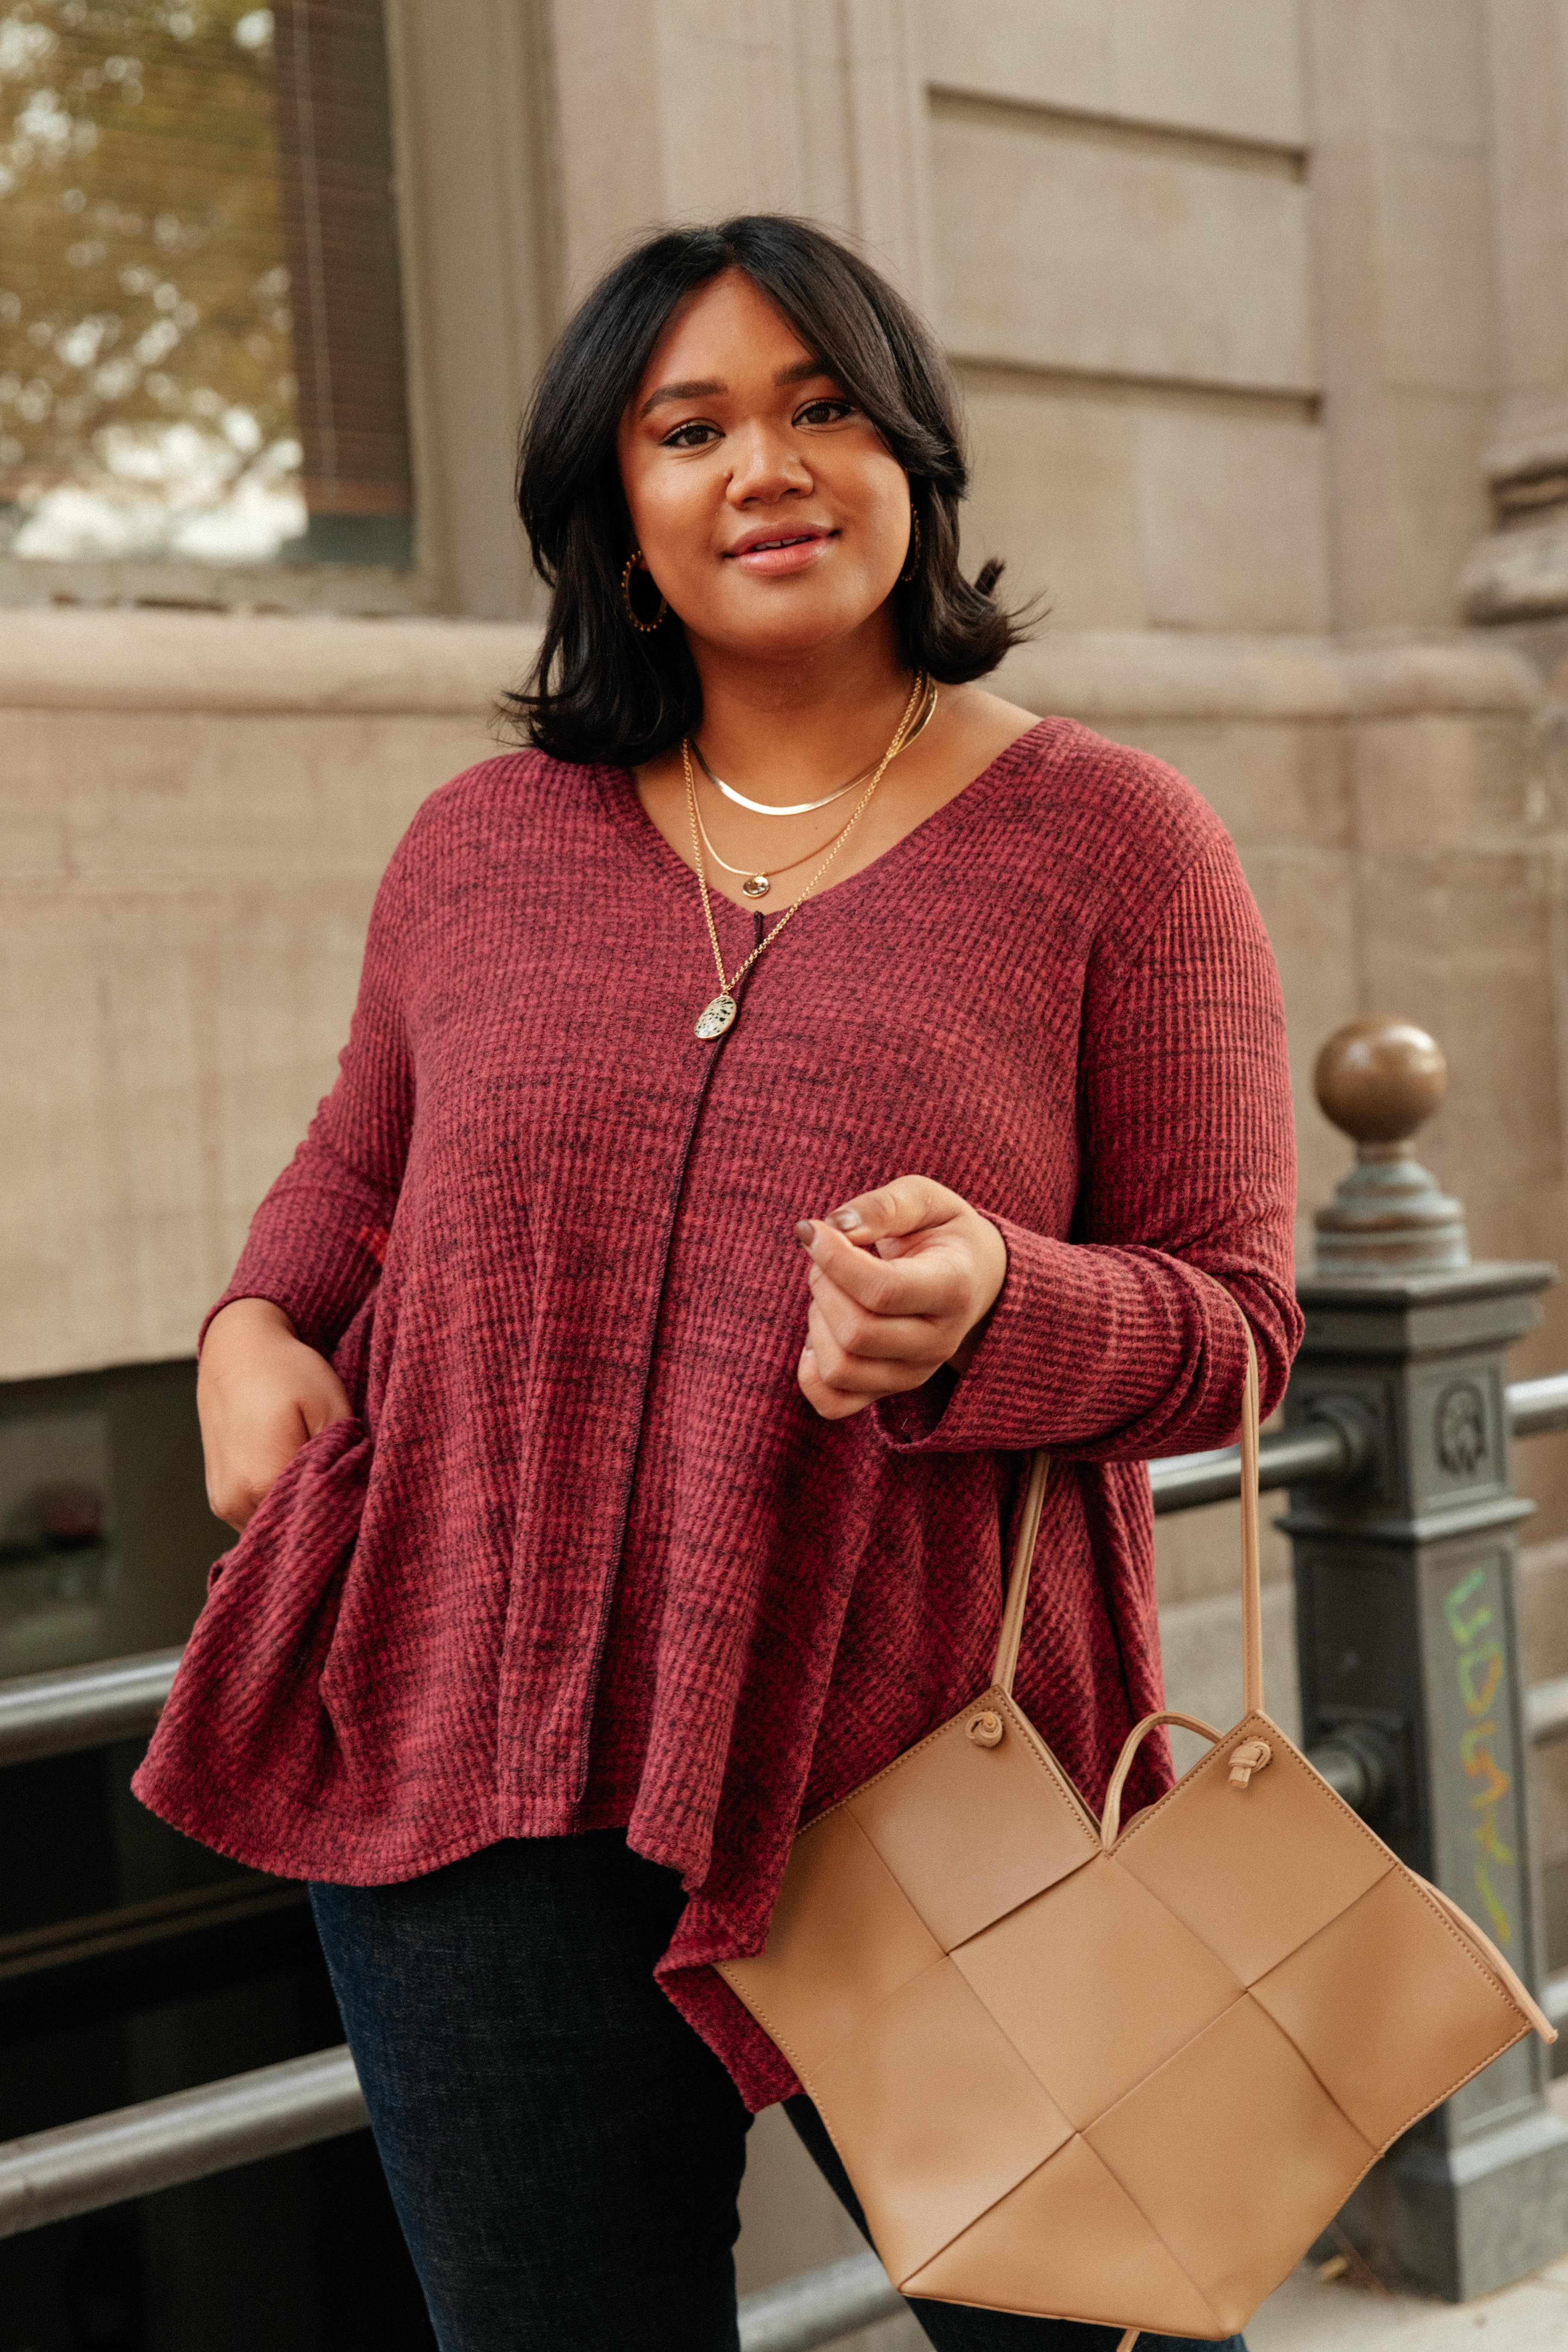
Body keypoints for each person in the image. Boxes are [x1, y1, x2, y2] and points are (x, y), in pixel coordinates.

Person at [134, 215, 1302, 2351]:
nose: (764, 465)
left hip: (935, 1763)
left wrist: (999, 1308)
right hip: (472, 1759)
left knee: (1110, 2336)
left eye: (821, 406)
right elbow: (351, 1182)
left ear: (910, 460)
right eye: (693, 427)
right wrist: (244, 1333)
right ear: (618, 510)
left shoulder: (1112, 840)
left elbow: (1237, 1319)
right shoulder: (484, 843)